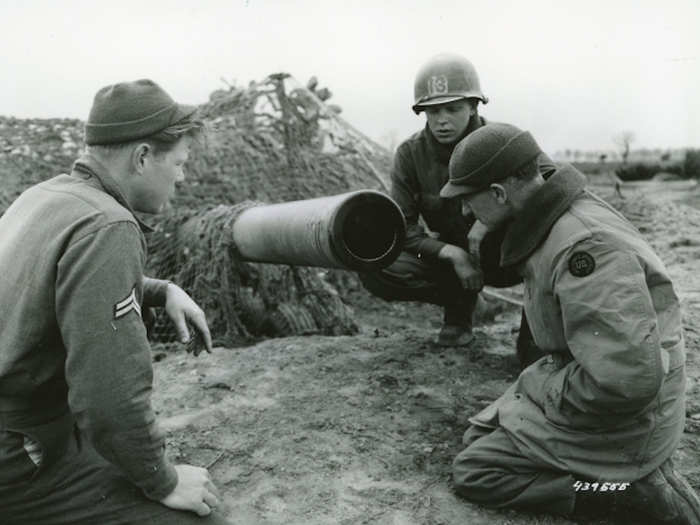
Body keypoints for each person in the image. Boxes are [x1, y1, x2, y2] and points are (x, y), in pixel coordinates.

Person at [0, 79, 232, 524]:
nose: (182, 178)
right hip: (21, 454)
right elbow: (108, 398)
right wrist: (163, 481)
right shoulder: (109, 225)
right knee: (197, 516)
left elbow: (51, 284)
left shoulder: (46, 196)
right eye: (180, 163)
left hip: (19, 430)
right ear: (143, 157)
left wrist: (160, 290)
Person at [443, 122, 700, 524]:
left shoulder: (585, 246)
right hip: (603, 386)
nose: (463, 210)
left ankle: (619, 494)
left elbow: (627, 379)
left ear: (498, 193)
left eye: (467, 199)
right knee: (480, 434)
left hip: (632, 415)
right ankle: (614, 477)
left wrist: (539, 384)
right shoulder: (559, 216)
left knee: (477, 470)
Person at [359, 53, 545, 354]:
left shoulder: (506, 140)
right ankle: (461, 313)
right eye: (432, 112)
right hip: (453, 261)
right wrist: (453, 254)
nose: (441, 120)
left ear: (473, 106)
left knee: (532, 353)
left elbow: (548, 187)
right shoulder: (410, 154)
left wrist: (488, 221)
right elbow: (403, 227)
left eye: (452, 109)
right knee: (377, 265)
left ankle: (535, 332)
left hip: (511, 255)